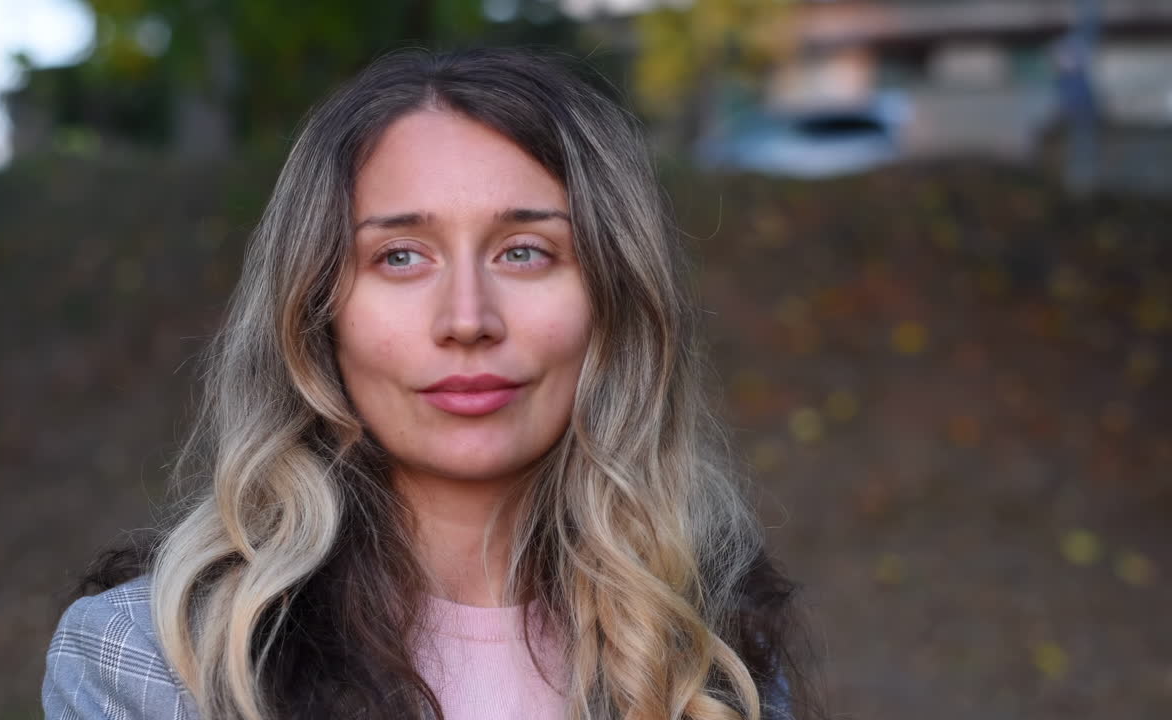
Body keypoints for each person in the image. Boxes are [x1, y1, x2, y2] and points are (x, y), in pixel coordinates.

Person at [42, 47, 820, 720]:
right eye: (401, 257)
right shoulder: (150, 660)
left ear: (615, 301)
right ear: (316, 311)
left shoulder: (705, 653)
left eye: (525, 251)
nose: (468, 319)